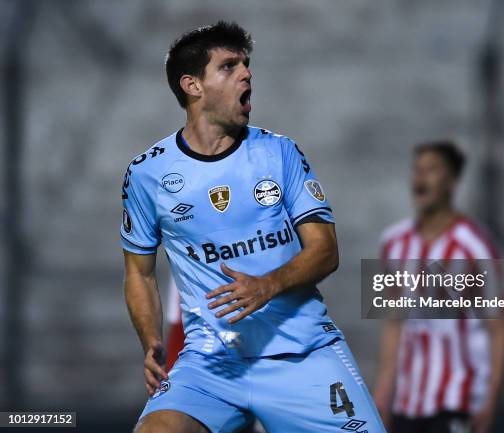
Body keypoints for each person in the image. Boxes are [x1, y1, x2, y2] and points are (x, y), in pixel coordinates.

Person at [121, 21, 385, 433]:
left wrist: (268, 284)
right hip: (210, 363)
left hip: (300, 353)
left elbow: (326, 249)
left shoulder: (279, 153)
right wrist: (151, 340)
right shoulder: (147, 173)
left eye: (246, 65)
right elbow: (139, 271)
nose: (246, 73)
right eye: (229, 67)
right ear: (192, 86)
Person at [373, 141, 504, 433]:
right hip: (407, 401)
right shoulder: (395, 242)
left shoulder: (474, 245)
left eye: (431, 170)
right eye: (417, 170)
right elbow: (395, 322)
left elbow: (498, 327)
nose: (420, 179)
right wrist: (383, 393)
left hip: (458, 397)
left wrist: (490, 401)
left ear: (452, 181)